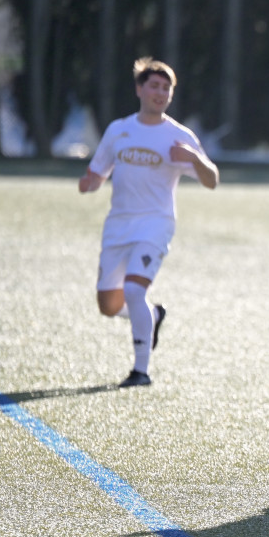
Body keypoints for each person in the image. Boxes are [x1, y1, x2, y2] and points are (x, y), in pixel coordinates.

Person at [79, 56, 219, 388]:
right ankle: (152, 316)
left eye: (166, 87)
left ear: (171, 95)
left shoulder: (178, 136)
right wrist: (90, 182)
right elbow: (98, 172)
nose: (160, 92)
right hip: (118, 225)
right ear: (140, 89)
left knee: (133, 289)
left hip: (155, 224)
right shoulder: (119, 129)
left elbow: (212, 180)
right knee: (109, 305)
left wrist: (196, 158)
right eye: (154, 85)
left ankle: (140, 371)